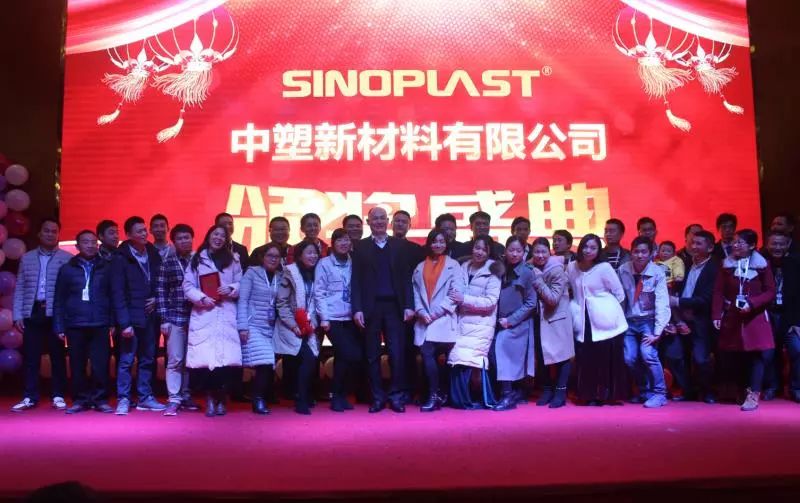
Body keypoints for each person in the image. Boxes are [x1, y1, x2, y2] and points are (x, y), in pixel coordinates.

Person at [352, 207, 416, 413]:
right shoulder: (360, 247)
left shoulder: (399, 245)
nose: (379, 222)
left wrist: (409, 305)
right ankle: (377, 397)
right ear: (368, 222)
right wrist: (357, 308)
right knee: (372, 355)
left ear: (387, 221)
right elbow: (356, 281)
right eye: (374, 218)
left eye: (382, 218)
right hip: (370, 308)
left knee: (396, 353)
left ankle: (396, 396)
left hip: (395, 307)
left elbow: (406, 278)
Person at [11, 218, 72, 412]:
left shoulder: (67, 258)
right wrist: (18, 314)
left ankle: (58, 395)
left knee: (57, 356)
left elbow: (70, 291)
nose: (50, 234)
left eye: (54, 231)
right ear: (39, 233)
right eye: (47, 231)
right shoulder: (27, 258)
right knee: (31, 356)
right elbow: (20, 287)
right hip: (33, 311)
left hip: (56, 313)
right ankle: (30, 396)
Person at [182, 225, 243, 417]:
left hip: (226, 312)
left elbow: (242, 283)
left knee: (225, 362)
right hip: (205, 313)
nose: (218, 238)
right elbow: (187, 286)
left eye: (223, 236)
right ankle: (209, 398)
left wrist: (232, 288)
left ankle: (222, 399)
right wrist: (201, 298)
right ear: (208, 236)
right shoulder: (196, 258)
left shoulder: (233, 259)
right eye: (215, 234)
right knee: (207, 361)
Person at [53, 230, 116, 414]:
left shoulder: (107, 267)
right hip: (75, 324)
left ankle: (100, 399)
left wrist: (113, 322)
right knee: (77, 365)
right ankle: (80, 400)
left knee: (100, 365)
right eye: (86, 242)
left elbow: (113, 297)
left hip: (100, 323)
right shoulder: (67, 269)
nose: (90, 245)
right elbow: (59, 300)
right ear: (77, 246)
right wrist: (59, 325)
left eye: (93, 242)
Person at [712, 229, 775, 411]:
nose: (735, 245)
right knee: (735, 354)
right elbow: (718, 291)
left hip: (755, 316)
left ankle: (753, 394)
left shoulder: (762, 265)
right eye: (735, 241)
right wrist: (716, 314)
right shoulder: (726, 265)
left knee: (756, 355)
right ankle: (740, 389)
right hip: (733, 315)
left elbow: (770, 291)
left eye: (740, 242)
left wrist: (752, 303)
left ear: (752, 245)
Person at [111, 216, 165, 414]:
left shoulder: (153, 252)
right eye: (139, 231)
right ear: (128, 235)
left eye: (144, 230)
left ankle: (145, 397)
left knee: (148, 359)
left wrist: (157, 299)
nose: (144, 234)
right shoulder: (120, 257)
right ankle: (123, 399)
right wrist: (124, 323)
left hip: (150, 317)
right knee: (126, 360)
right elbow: (117, 292)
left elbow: (161, 282)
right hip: (130, 319)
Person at [568, 233, 629, 405]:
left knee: (604, 358)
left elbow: (619, 294)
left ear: (598, 250)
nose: (588, 251)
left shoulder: (604, 267)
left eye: (593, 248)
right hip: (582, 320)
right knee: (586, 358)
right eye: (585, 247)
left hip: (606, 321)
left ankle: (604, 395)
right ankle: (587, 395)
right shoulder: (572, 266)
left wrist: (610, 312)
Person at [411, 229, 464, 412]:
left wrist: (434, 313)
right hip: (424, 318)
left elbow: (456, 293)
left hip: (443, 317)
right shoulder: (420, 266)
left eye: (441, 241)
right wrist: (420, 311)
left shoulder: (454, 265)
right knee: (427, 353)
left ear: (446, 244)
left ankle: (436, 394)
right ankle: (436, 394)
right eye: (434, 241)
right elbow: (415, 292)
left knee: (429, 352)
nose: (438, 245)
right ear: (429, 244)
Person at [664, 230, 719, 403]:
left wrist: (677, 302)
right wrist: (678, 319)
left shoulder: (715, 268)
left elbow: (706, 299)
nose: (693, 246)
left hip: (701, 321)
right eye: (692, 242)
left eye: (698, 243)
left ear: (710, 248)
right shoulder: (684, 264)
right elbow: (675, 289)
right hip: (680, 319)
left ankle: (707, 391)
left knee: (701, 359)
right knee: (674, 355)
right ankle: (688, 391)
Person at [447, 236, 502, 409]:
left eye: (484, 249)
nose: (479, 252)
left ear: (489, 252)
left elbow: (490, 302)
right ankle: (461, 399)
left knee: (473, 360)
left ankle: (478, 399)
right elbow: (455, 292)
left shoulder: (494, 271)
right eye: (477, 248)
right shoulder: (464, 266)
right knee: (457, 358)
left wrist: (464, 299)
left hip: (481, 324)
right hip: (461, 322)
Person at [618, 237, 670, 408]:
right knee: (629, 358)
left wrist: (658, 331)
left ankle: (660, 394)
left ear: (651, 253)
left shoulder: (657, 272)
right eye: (636, 251)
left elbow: (662, 302)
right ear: (631, 252)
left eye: (643, 252)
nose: (639, 255)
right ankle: (644, 391)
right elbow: (620, 298)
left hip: (649, 320)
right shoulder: (623, 270)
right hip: (629, 321)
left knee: (648, 354)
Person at [155, 223, 200, 416]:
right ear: (173, 242)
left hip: (198, 317)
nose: (184, 241)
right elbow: (161, 291)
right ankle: (174, 398)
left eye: (187, 237)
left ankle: (186, 395)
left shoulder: (200, 261)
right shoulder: (167, 262)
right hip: (175, 317)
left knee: (190, 360)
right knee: (175, 359)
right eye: (180, 238)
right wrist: (164, 319)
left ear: (192, 239)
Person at [315, 230, 361, 412]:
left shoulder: (354, 262)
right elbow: (319, 292)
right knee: (348, 354)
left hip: (352, 317)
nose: (344, 243)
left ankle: (340, 396)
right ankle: (336, 394)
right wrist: (324, 318)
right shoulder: (324, 264)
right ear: (333, 243)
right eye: (340, 240)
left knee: (344, 357)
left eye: (347, 240)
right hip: (332, 318)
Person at [275, 239, 321, 414]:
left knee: (309, 360)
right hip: (290, 326)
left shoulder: (318, 272)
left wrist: (312, 323)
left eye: (315, 253)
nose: (313, 256)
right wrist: (294, 325)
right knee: (307, 359)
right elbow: (282, 303)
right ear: (300, 256)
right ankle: (301, 399)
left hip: (310, 326)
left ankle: (304, 395)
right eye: (309, 253)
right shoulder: (290, 272)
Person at [492, 236, 537, 411]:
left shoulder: (527, 272)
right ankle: (510, 392)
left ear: (524, 252)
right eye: (511, 250)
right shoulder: (498, 268)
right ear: (505, 251)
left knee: (502, 347)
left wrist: (510, 321)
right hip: (498, 321)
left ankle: (507, 395)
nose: (515, 254)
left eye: (519, 251)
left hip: (518, 323)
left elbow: (531, 303)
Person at [529, 238, 574, 408]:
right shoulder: (531, 267)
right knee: (541, 356)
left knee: (562, 357)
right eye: (537, 252)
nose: (540, 255)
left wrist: (538, 280)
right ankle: (547, 390)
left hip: (557, 318)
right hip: (540, 319)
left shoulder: (556, 270)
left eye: (544, 252)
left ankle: (561, 391)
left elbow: (553, 299)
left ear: (550, 253)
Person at [238, 242, 282, 415]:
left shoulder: (280, 276)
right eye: (270, 256)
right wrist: (243, 326)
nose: (273, 259)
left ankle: (264, 395)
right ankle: (258, 399)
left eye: (277, 257)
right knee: (265, 361)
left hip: (271, 327)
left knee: (268, 363)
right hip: (253, 325)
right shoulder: (252, 273)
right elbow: (242, 300)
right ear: (262, 257)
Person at [762, 232, 800, 401]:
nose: (777, 247)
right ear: (767, 245)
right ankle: (772, 386)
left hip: (791, 318)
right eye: (774, 244)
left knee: (797, 349)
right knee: (768, 353)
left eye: (781, 244)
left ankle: (796, 387)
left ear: (788, 245)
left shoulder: (796, 264)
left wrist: (797, 322)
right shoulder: (761, 265)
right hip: (767, 316)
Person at [655, 241, 687, 335]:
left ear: (673, 253)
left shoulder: (675, 260)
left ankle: (679, 322)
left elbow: (678, 271)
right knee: (660, 306)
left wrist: (678, 277)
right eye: (663, 251)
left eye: (668, 251)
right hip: (657, 287)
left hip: (670, 286)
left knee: (668, 304)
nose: (665, 253)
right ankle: (668, 324)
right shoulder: (656, 262)